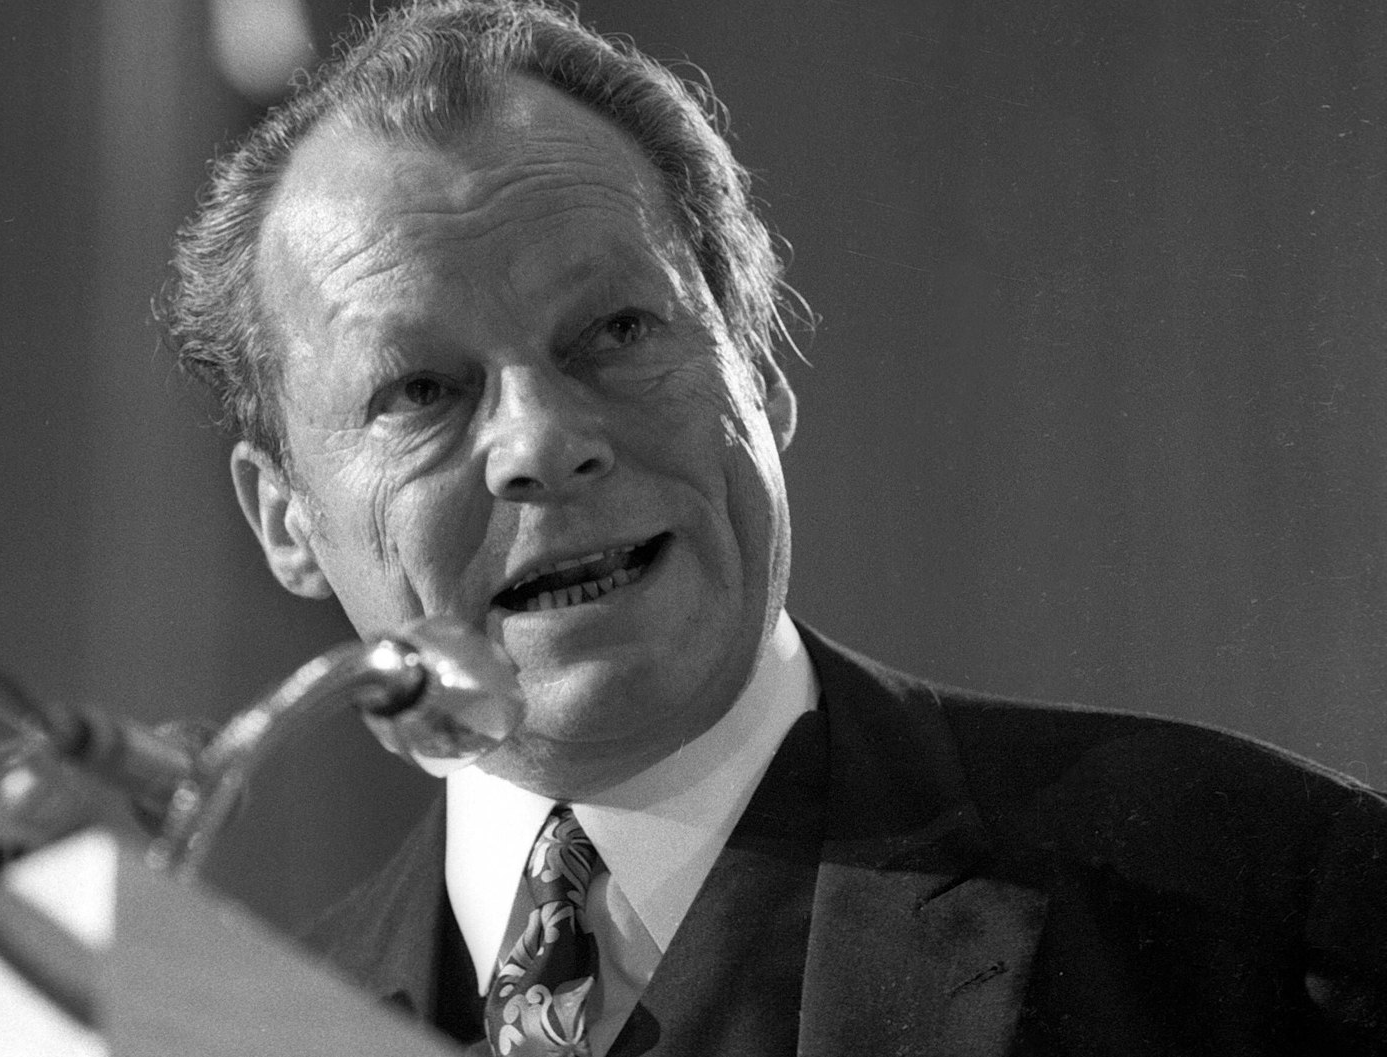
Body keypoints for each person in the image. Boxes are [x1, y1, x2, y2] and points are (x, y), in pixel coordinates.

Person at [161, 1, 1387, 1053]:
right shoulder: (241, 1032)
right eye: (422, 391)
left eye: (616, 331)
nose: (541, 441)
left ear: (758, 367)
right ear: (284, 519)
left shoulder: (1265, 898)